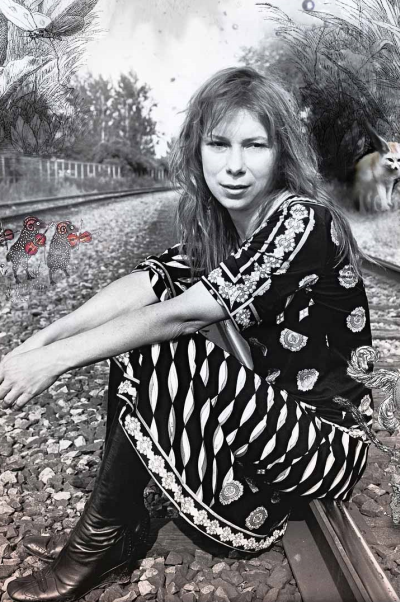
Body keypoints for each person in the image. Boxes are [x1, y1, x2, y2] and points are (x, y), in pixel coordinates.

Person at [1, 66, 374, 602]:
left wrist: (54, 362)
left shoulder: (301, 221)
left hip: (321, 447)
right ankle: (114, 529)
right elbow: (148, 283)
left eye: (255, 145)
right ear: (197, 150)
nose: (234, 165)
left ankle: (102, 540)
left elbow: (181, 317)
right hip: (269, 422)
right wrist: (41, 341)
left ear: (281, 153)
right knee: (143, 322)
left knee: (157, 338)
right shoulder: (228, 225)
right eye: (218, 144)